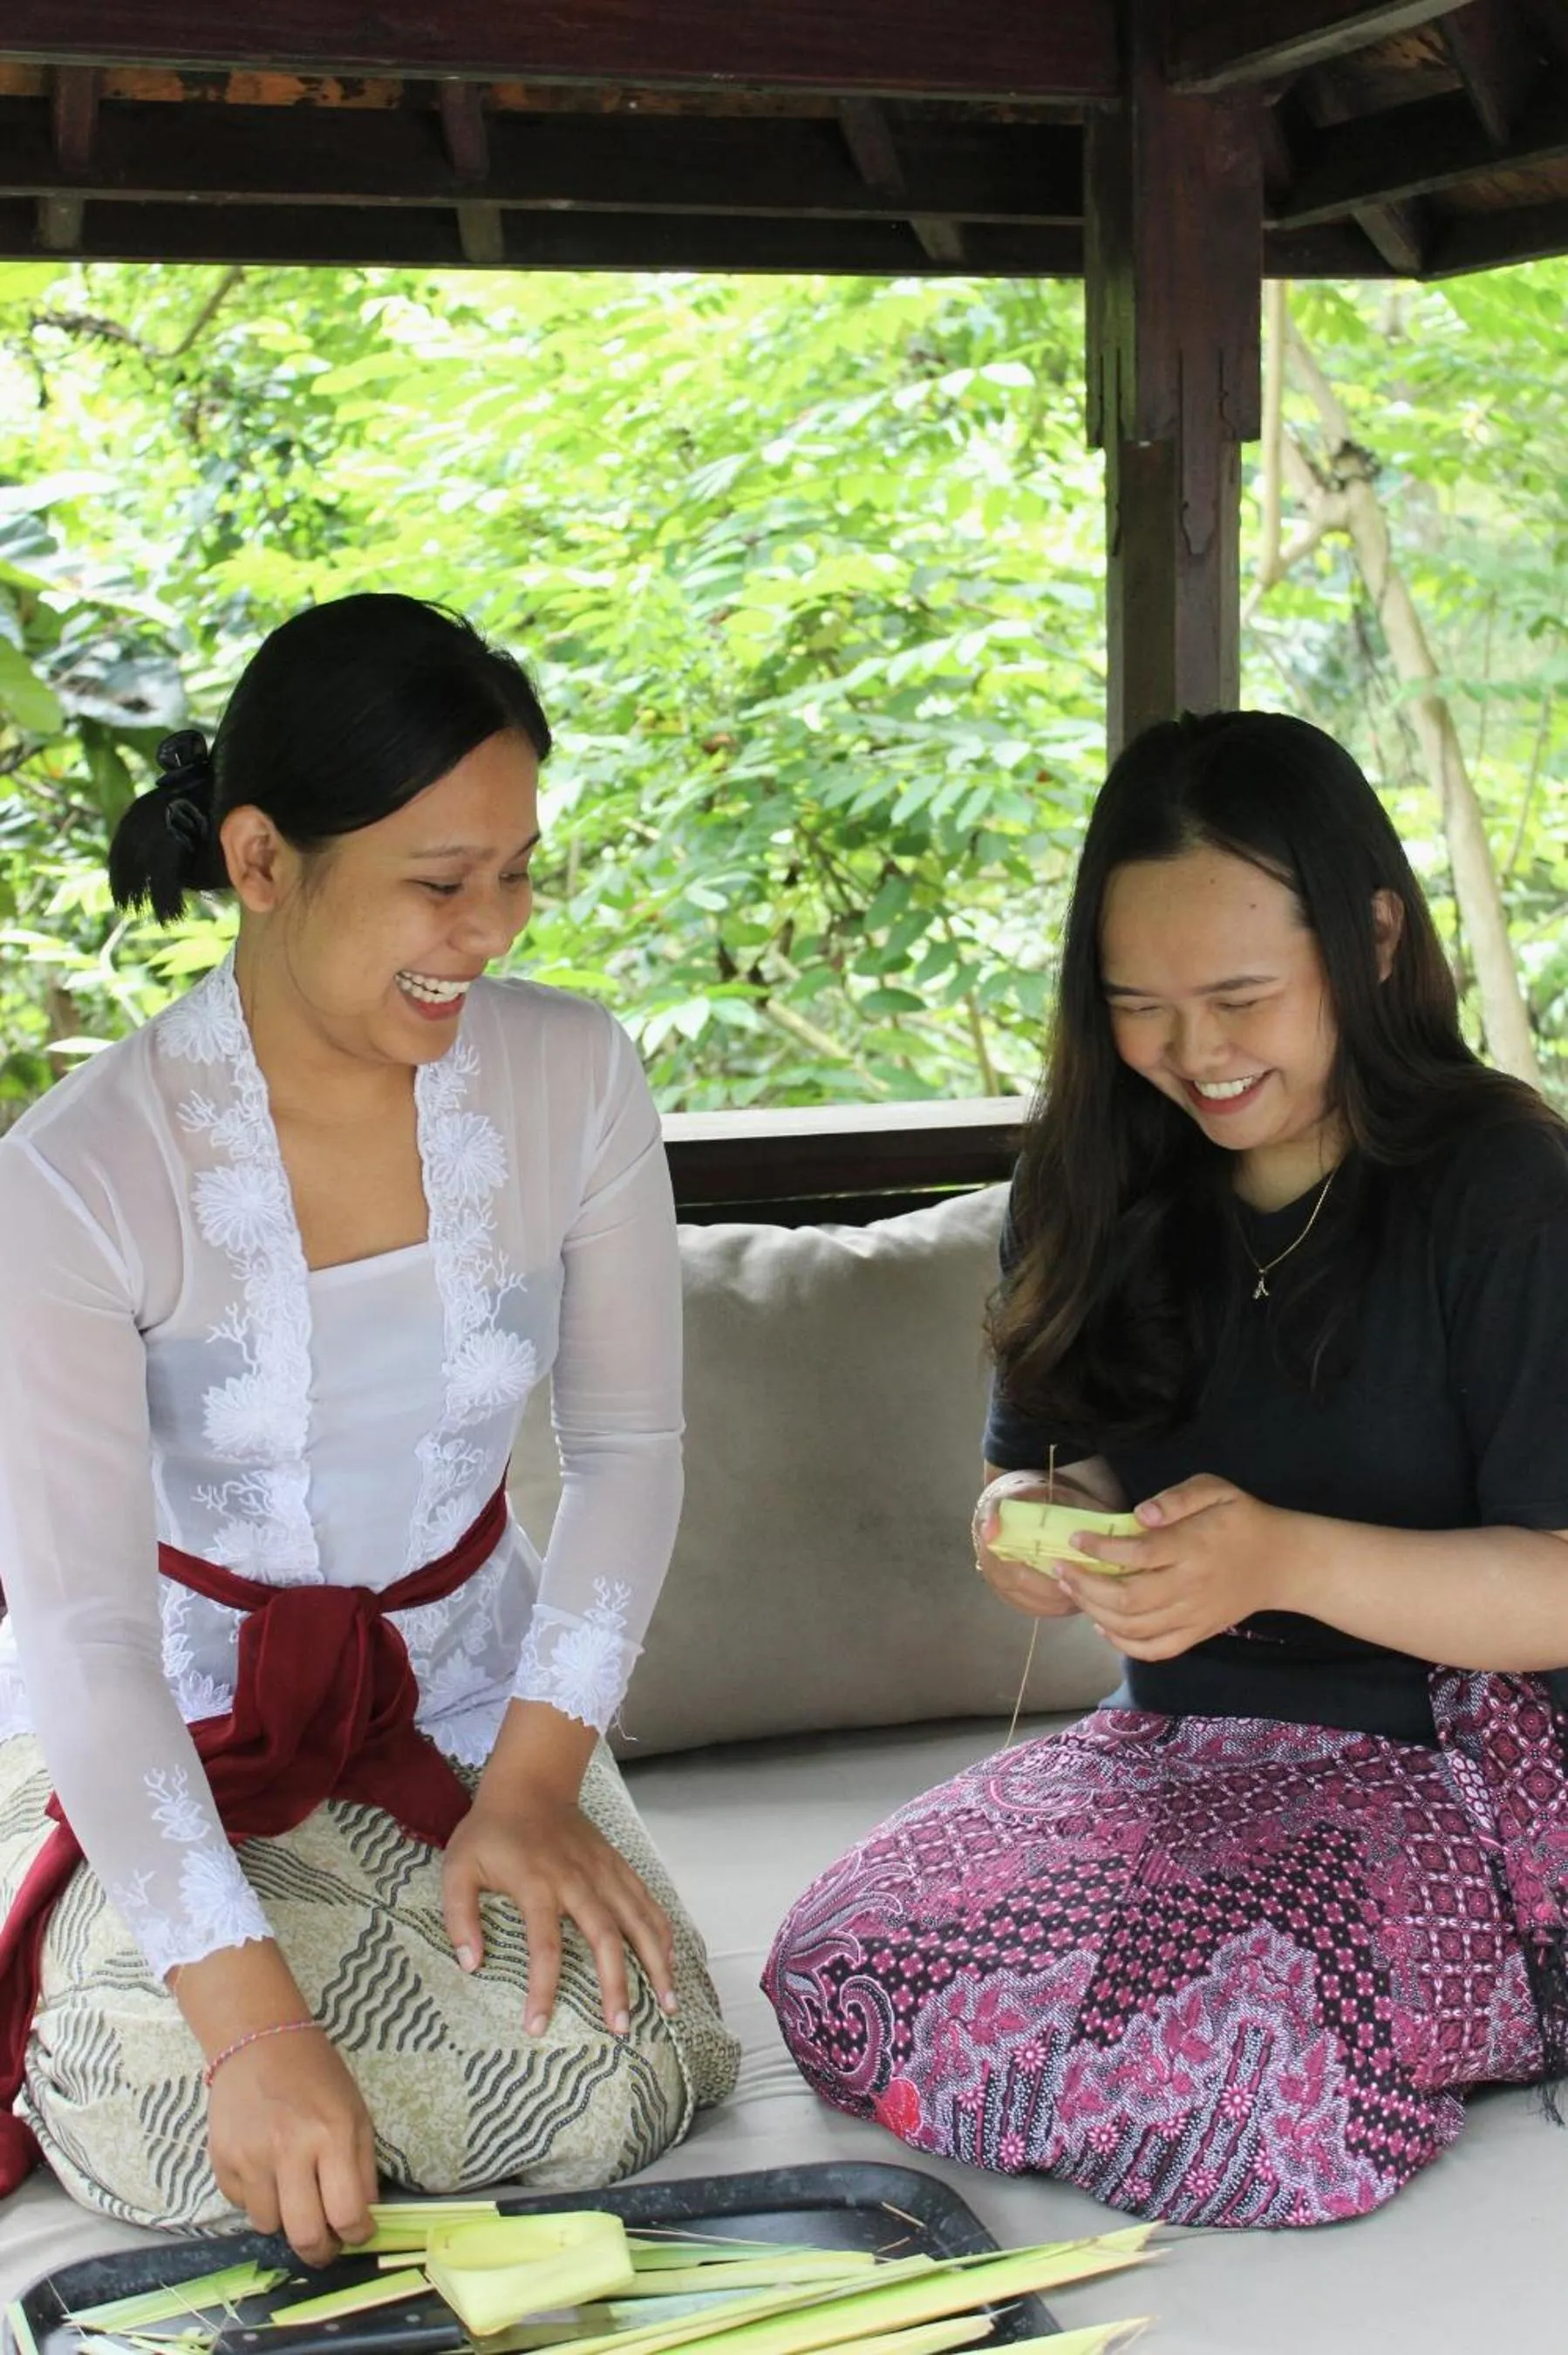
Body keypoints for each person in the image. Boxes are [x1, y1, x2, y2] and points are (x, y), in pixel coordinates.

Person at [0, 593, 739, 2261]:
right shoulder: (74, 1175)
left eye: (517, 873)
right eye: (439, 881)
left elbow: (629, 1452)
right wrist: (255, 2030)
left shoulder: (576, 1079)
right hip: (159, 1714)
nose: (489, 931)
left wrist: (535, 1786)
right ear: (262, 859)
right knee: (190, 2117)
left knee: (621, 2063)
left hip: (475, 1696)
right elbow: (90, 1636)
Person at [764, 709, 1568, 2229]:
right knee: (837, 1962)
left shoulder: (1505, 1189)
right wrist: (1029, 1528)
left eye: (1240, 997)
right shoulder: (1092, 1180)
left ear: (1373, 939)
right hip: (1180, 1749)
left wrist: (1282, 1557)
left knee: (1245, 2051)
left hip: (1473, 1772)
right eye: (1140, 1006)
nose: (1194, 1054)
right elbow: (1045, 1479)